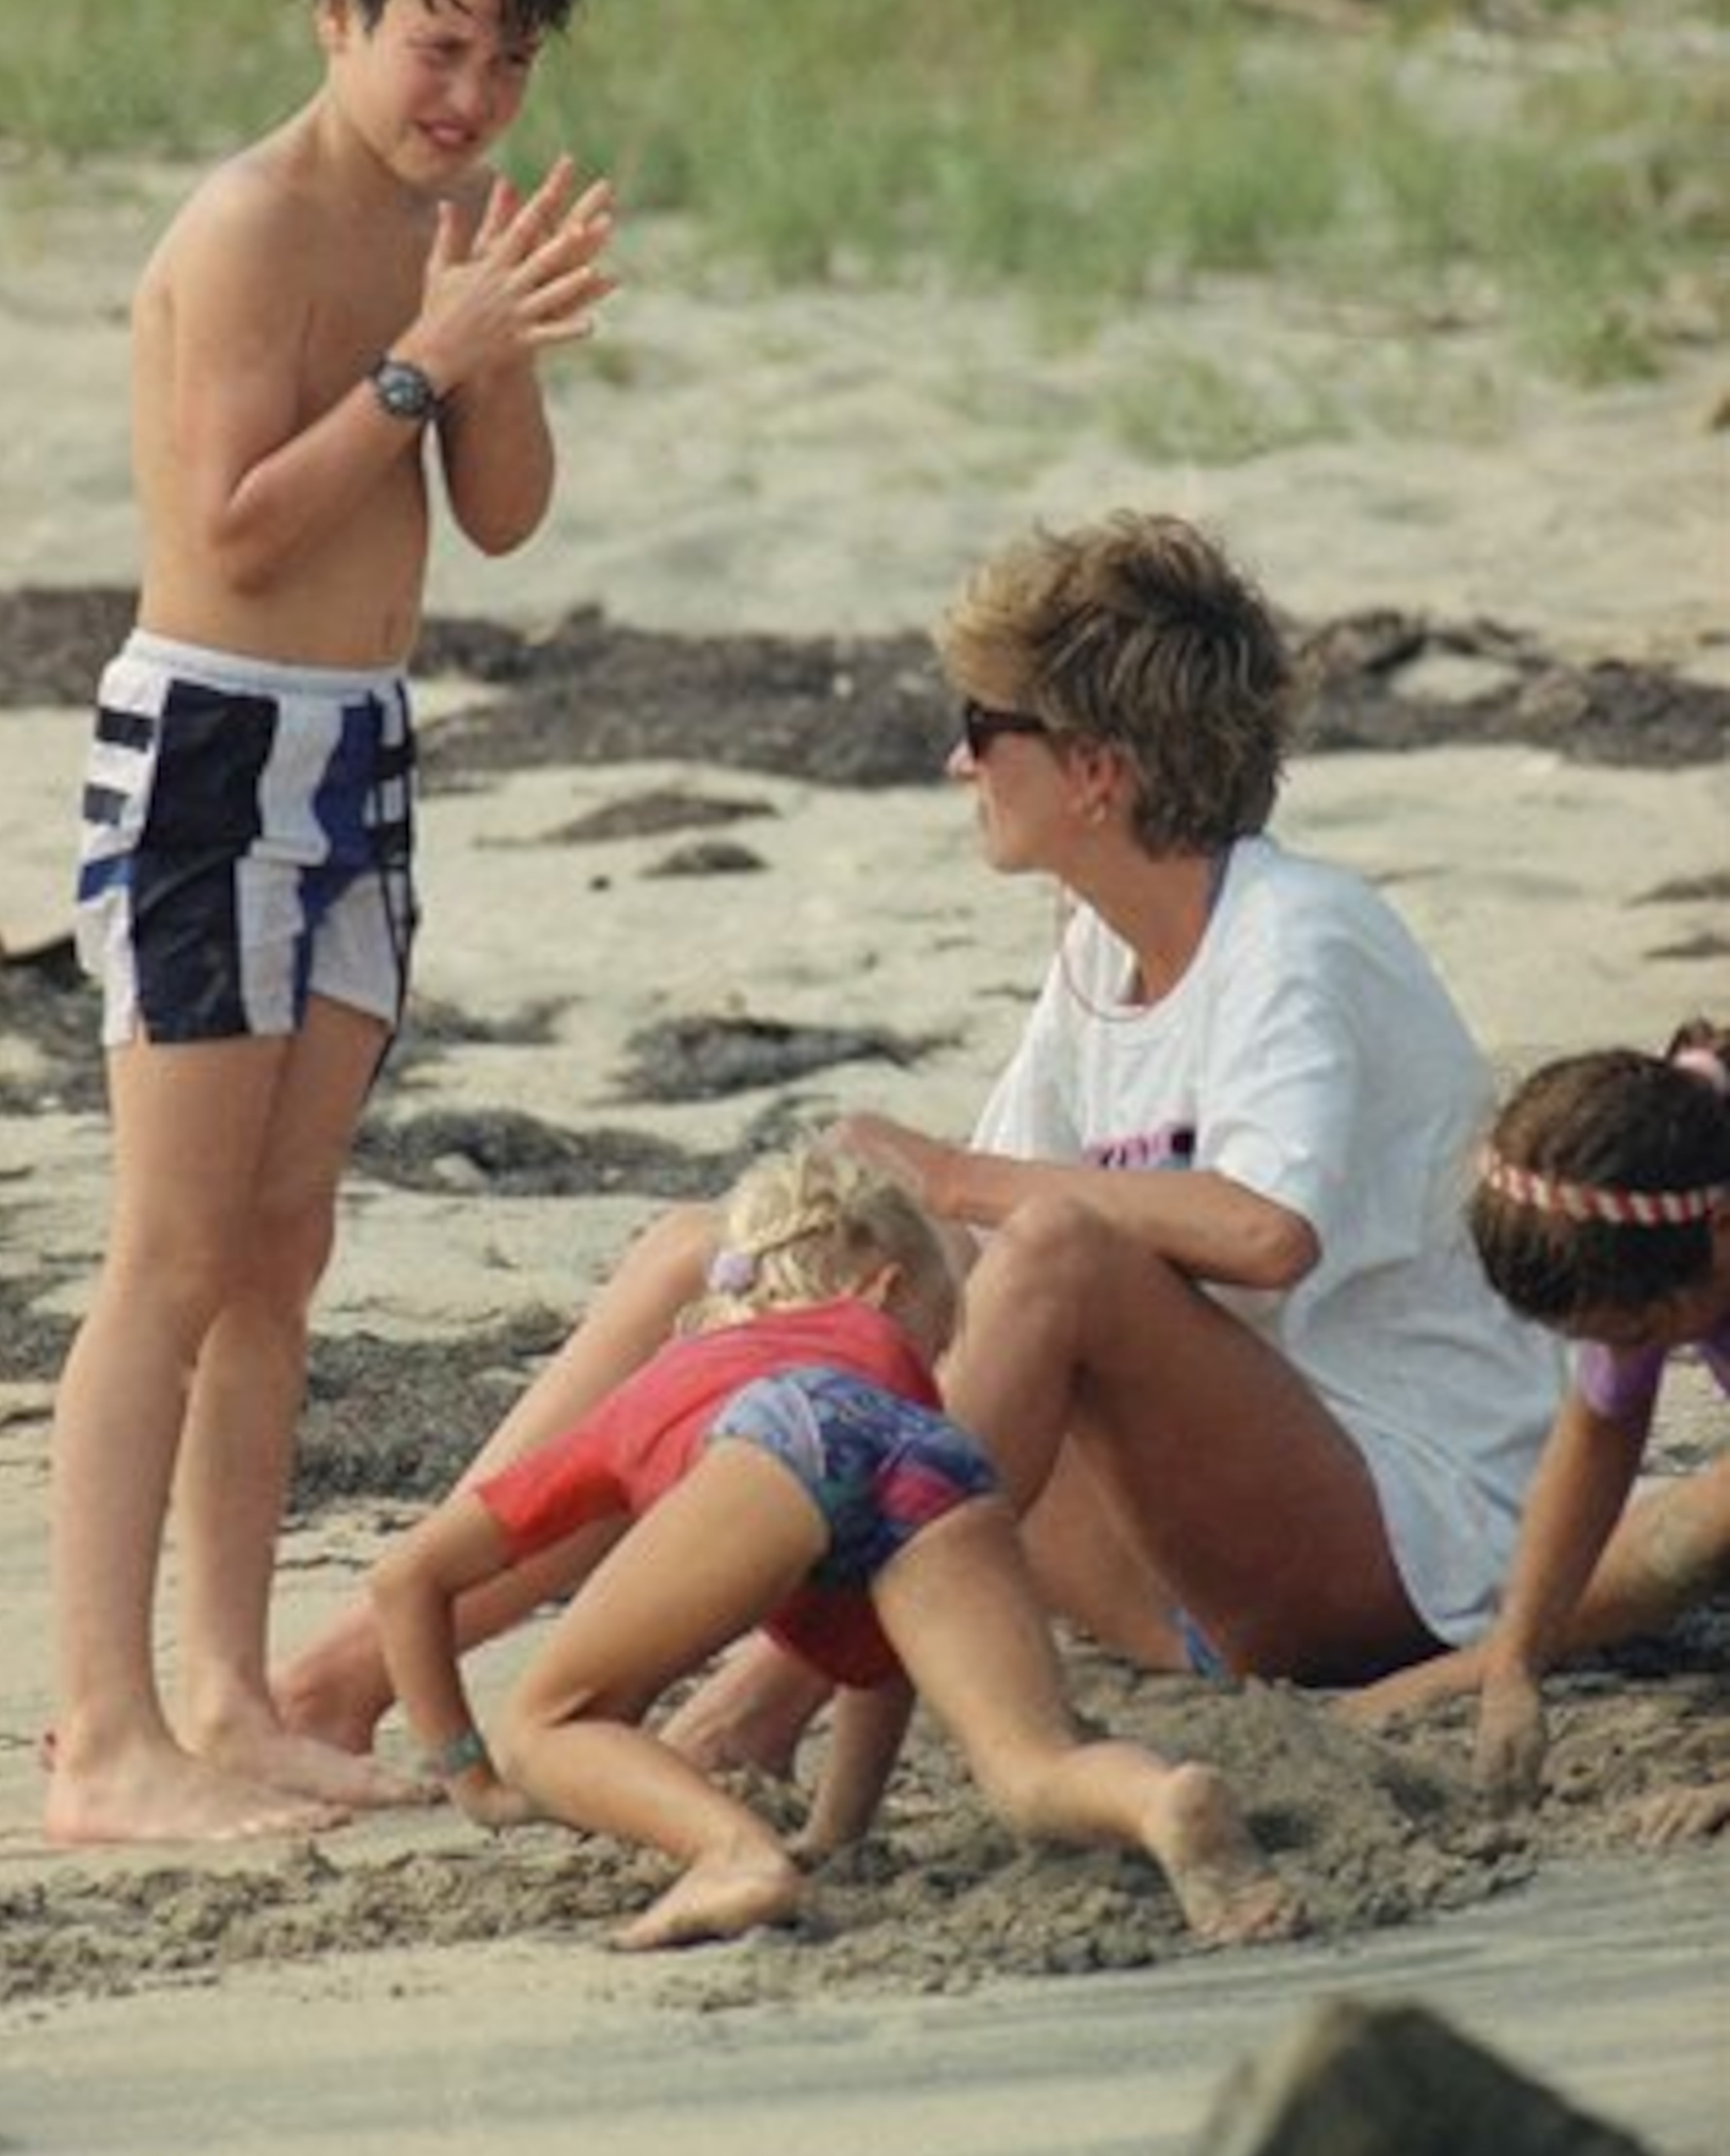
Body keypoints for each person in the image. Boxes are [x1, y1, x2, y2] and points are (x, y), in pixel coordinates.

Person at [278, 510, 1560, 1771]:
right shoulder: (1100, 947)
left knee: (1057, 1251)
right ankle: (352, 1674)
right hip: (1165, 1571)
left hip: (1389, 1555)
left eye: (983, 731)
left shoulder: (1297, 935)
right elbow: (959, 1248)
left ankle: (769, 1700)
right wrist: (821, 1239)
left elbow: (1265, 1234)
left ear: (1098, 771)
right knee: (714, 1255)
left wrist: (951, 1175)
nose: (959, 766)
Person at [45, 0, 618, 1846]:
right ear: (341, 18)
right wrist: (416, 364)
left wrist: (496, 350)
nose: (465, 98)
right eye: (435, 46)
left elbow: (507, 517)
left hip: (362, 758)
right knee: (173, 1253)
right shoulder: (251, 225)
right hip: (210, 755)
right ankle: (104, 1739)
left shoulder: (440, 236)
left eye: (504, 64)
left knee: (282, 1255)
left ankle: (225, 1690)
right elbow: (234, 528)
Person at [369, 1138, 1301, 1952]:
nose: (935, 1356)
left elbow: (410, 1577)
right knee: (1029, 1767)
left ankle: (732, 1855)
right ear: (885, 1289)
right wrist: (836, 1833)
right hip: (949, 1470)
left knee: (549, 1721)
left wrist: (475, 1777)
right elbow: (882, 1660)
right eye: (940, 1338)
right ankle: (1158, 1803)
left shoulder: (681, 1377)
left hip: (778, 1433)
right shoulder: (903, 1395)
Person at [1350, 1026, 1730, 1844]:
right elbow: (1602, 1422)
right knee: (1682, 1534)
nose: (1624, 1356)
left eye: (1636, 1333)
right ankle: (1477, 1661)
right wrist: (1516, 1664)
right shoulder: (1682, 1152)